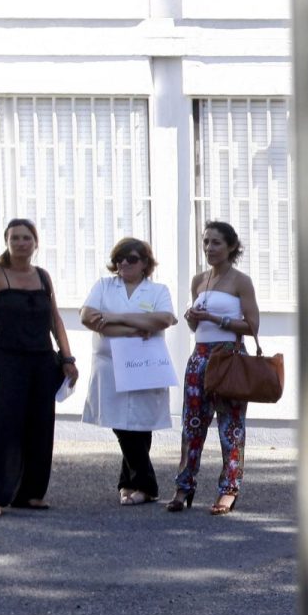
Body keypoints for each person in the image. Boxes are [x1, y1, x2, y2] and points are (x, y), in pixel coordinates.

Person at [0, 218, 78, 517]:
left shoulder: (42, 276)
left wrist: (67, 358)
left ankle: (31, 493)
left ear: (36, 243)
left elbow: (55, 319)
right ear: (6, 241)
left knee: (41, 425)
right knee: (4, 427)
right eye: (15, 238)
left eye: (26, 238)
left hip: (42, 359)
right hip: (6, 360)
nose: (21, 243)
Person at [169, 221, 259, 516]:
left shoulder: (240, 281)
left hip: (228, 356)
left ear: (231, 246)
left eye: (216, 242)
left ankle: (229, 490)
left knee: (230, 426)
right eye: (206, 242)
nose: (209, 248)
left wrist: (215, 318)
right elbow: (197, 325)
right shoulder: (200, 280)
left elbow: (251, 325)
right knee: (192, 424)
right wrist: (193, 317)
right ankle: (184, 486)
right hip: (199, 357)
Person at [79, 237, 178, 505]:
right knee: (121, 424)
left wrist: (115, 317)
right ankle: (144, 484)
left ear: (145, 263)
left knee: (139, 424)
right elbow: (88, 317)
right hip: (110, 364)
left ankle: (133, 484)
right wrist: (136, 327)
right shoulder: (104, 286)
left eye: (131, 258)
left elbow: (164, 319)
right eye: (119, 258)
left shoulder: (157, 290)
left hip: (144, 364)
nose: (124, 263)